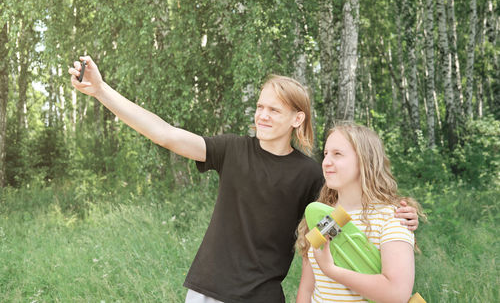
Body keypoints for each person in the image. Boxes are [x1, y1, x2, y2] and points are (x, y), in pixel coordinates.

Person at [68, 56, 419, 303]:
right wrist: (101, 91)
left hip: (262, 296)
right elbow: (166, 134)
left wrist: (401, 213)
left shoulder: (311, 172)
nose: (262, 115)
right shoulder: (232, 150)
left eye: (274, 110)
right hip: (208, 289)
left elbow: (345, 214)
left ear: (297, 119)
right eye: (260, 106)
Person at [295, 123, 424, 303]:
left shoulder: (392, 217)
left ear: (364, 160)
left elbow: (397, 294)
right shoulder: (326, 218)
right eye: (325, 154)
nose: (326, 162)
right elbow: (308, 287)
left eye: (337, 154)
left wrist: (332, 270)